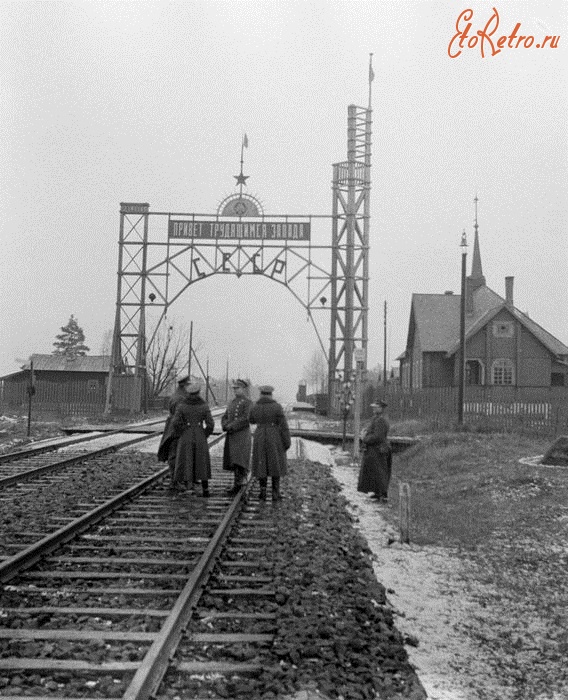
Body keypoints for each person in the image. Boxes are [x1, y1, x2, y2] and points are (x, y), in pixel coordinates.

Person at [170, 383, 215, 495]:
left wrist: (182, 431)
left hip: (186, 435)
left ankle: (188, 486)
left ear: (188, 394)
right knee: (202, 462)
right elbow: (210, 424)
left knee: (186, 460)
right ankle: (205, 489)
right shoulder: (204, 406)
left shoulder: (182, 406)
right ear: (199, 393)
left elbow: (175, 422)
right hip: (200, 434)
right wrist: (205, 434)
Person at [249, 385, 291, 501]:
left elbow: (251, 420)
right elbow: (283, 425)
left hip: (260, 436)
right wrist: (287, 442)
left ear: (261, 394)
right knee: (275, 463)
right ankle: (275, 493)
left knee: (261, 463)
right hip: (274, 436)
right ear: (271, 394)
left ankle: (262, 492)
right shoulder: (277, 407)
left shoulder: (255, 406)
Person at [157, 376, 190, 489]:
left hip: (174, 429)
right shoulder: (180, 399)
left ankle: (178, 480)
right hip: (177, 431)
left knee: (176, 454)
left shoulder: (177, 396)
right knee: (176, 456)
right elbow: (179, 417)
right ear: (184, 385)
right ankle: (176, 482)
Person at [357, 400, 392, 502]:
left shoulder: (381, 420)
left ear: (381, 408)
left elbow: (378, 437)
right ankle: (377, 492)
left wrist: (365, 438)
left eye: (376, 407)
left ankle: (382, 494)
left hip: (379, 450)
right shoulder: (376, 419)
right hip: (374, 450)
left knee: (380, 472)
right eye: (373, 407)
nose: (374, 409)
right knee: (375, 472)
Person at [222, 379, 253, 496]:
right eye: (234, 388)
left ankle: (241, 480)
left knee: (240, 459)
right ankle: (237, 483)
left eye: (237, 388)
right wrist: (224, 425)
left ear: (243, 389)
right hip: (232, 435)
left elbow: (246, 418)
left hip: (242, 435)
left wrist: (232, 426)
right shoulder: (232, 402)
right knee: (234, 460)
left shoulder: (248, 402)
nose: (235, 390)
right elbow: (225, 416)